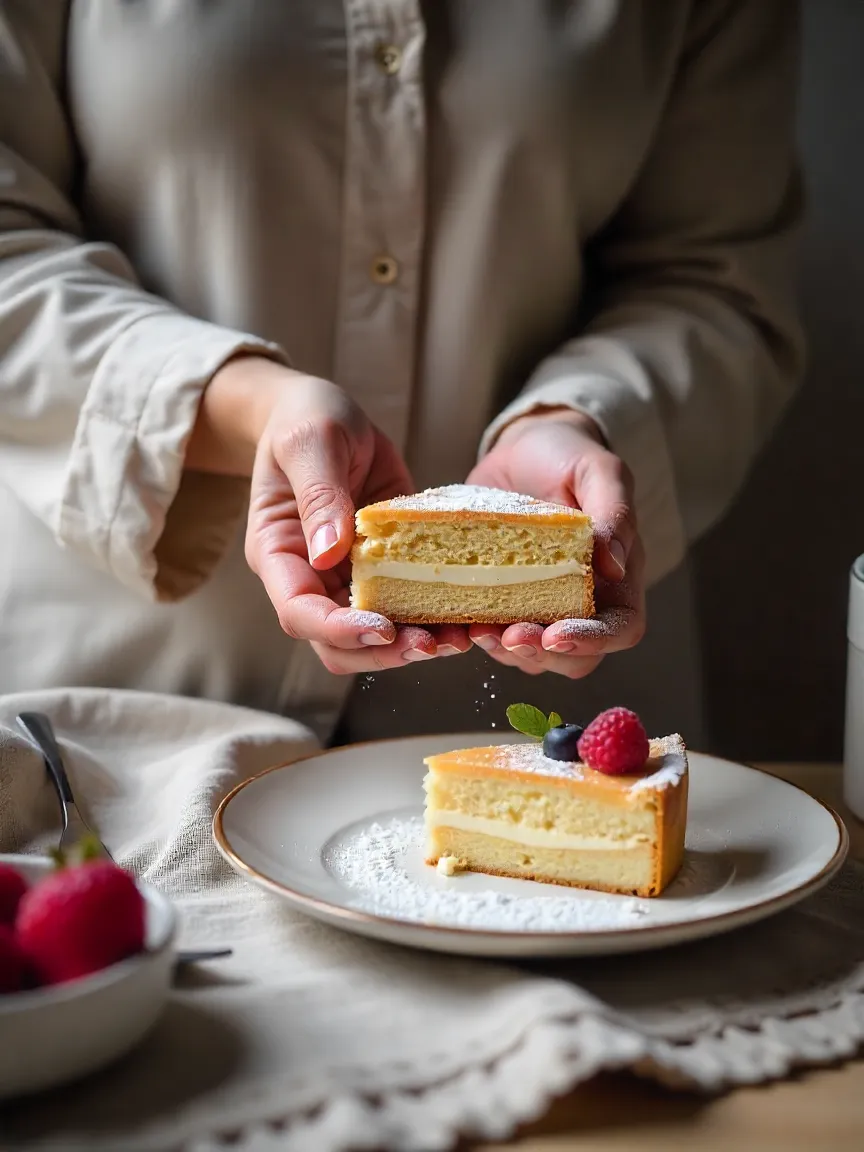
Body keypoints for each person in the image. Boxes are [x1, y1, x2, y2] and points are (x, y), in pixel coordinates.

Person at [0, 1, 802, 744]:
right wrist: (253, 405)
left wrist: (575, 418)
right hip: (123, 694)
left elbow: (716, 280)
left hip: (544, 702)